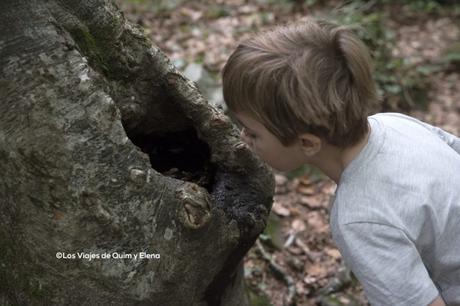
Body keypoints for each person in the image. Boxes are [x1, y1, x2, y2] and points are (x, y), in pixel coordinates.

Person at [221, 18, 460, 306]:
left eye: (253, 132)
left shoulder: (360, 217)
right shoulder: (396, 124)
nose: (243, 138)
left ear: (308, 143)